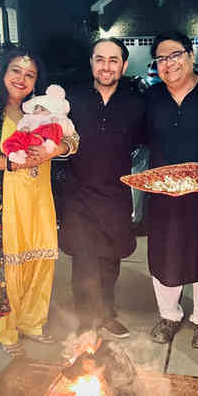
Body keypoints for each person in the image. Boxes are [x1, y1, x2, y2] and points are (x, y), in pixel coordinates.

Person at [0, 47, 79, 357]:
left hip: (37, 200)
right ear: (3, 72)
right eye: (16, 71)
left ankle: (32, 323)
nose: (22, 79)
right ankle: (6, 331)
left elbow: (73, 139)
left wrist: (57, 148)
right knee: (4, 268)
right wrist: (10, 163)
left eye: (30, 75)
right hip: (1, 203)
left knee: (39, 262)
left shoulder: (40, 109)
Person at [145, 31, 198, 349]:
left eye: (175, 55)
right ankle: (169, 315)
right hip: (163, 192)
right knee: (164, 252)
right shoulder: (152, 97)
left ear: (191, 56)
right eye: (161, 59)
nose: (168, 63)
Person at [56, 37, 146, 339]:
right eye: (100, 59)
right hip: (78, 194)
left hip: (116, 195)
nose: (106, 66)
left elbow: (148, 143)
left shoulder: (136, 103)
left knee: (110, 259)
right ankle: (86, 320)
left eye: (113, 60)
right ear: (91, 62)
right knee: (83, 260)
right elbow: (50, 133)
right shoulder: (72, 99)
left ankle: (106, 314)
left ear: (124, 65)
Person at [3, 84, 75, 164]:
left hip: (44, 141)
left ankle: (50, 143)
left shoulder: (54, 117)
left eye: (42, 109)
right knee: (17, 136)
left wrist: (57, 149)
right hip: (29, 139)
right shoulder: (29, 117)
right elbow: (23, 123)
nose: (37, 111)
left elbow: (72, 135)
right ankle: (15, 153)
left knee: (55, 127)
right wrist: (24, 127)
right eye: (36, 108)